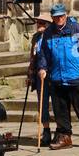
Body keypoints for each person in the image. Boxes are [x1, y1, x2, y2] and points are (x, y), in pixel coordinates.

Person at [36, 2, 79, 150]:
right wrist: (42, 68)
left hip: (76, 75)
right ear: (52, 17)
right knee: (61, 111)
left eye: (61, 16)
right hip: (57, 77)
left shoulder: (77, 29)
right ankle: (65, 138)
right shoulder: (48, 33)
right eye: (56, 17)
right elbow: (44, 55)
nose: (59, 19)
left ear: (66, 15)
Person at [26, 10, 54, 147]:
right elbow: (32, 57)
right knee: (42, 104)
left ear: (49, 24)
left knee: (57, 104)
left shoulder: (53, 36)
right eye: (38, 22)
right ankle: (46, 131)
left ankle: (61, 132)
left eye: (42, 23)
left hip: (53, 74)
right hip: (39, 75)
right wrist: (30, 74)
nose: (39, 25)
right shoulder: (36, 37)